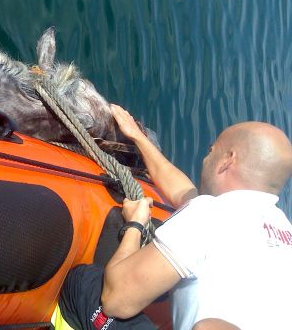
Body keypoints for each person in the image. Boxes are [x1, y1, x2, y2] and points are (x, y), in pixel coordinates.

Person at [98, 104, 292, 329]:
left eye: (212, 149)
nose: (206, 157)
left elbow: (115, 299)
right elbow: (187, 195)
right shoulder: (280, 227)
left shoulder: (208, 216)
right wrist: (139, 138)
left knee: (82, 284)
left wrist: (135, 225)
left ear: (228, 160)